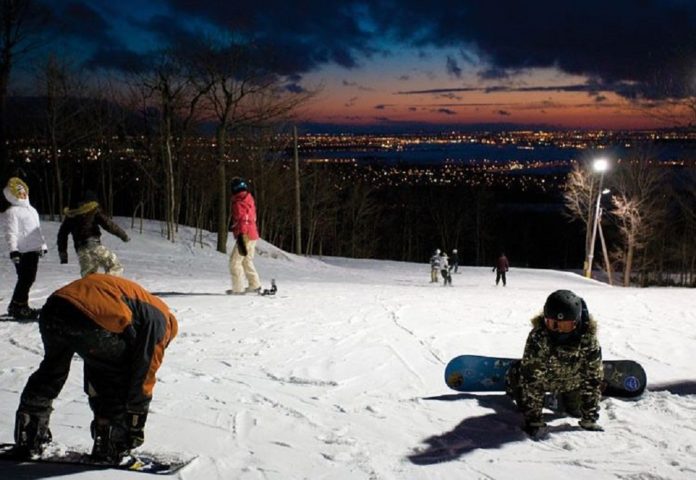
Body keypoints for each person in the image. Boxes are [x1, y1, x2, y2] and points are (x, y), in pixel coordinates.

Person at [13, 273, 178, 462]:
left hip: (54, 308)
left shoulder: (143, 304)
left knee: (53, 369)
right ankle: (111, 442)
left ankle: (29, 432)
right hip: (91, 315)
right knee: (114, 371)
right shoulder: (162, 323)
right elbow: (144, 372)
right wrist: (136, 418)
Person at [505, 290, 604, 438]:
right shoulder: (539, 336)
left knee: (575, 411)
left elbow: (593, 379)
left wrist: (589, 419)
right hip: (544, 382)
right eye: (553, 324)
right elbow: (532, 380)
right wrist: (534, 421)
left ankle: (565, 398)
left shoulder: (587, 339)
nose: (558, 331)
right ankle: (513, 381)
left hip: (572, 383)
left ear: (576, 323)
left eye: (565, 326)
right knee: (522, 383)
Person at [2, 177, 48, 320]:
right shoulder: (12, 212)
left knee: (28, 278)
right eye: (18, 192)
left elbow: (36, 230)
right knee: (25, 279)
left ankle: (16, 305)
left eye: (23, 191)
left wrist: (43, 245)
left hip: (33, 250)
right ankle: (19, 307)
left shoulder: (32, 210)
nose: (22, 194)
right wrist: (13, 250)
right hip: (22, 251)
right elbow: (11, 233)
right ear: (12, 195)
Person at [57, 190, 130, 277]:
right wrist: (123, 235)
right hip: (95, 247)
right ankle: (108, 286)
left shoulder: (71, 216)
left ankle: (94, 288)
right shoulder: (93, 210)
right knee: (115, 266)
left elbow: (62, 235)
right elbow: (108, 224)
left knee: (89, 278)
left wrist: (63, 255)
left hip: (82, 251)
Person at [227, 177, 262, 295]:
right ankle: (254, 285)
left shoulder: (239, 202)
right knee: (246, 260)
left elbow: (244, 220)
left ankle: (238, 289)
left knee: (235, 262)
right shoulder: (249, 199)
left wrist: (242, 235)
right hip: (252, 234)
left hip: (245, 235)